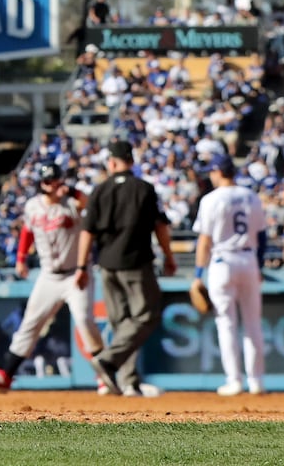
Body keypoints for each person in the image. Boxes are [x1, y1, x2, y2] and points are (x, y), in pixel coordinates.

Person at [0, 164, 105, 391]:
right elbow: (27, 230)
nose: (50, 184)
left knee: (84, 321)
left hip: (76, 273)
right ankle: (5, 375)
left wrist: (71, 192)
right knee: (30, 325)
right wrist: (21, 257)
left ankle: (105, 375)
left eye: (54, 180)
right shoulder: (33, 205)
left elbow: (92, 206)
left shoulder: (72, 203)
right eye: (47, 181)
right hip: (49, 276)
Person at [75, 138, 177, 398]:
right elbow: (160, 226)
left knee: (122, 323)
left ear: (111, 162)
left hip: (107, 264)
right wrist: (168, 256)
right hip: (136, 262)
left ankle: (128, 381)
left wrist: (81, 265)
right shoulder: (144, 188)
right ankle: (108, 362)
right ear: (130, 161)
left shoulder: (99, 190)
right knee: (145, 317)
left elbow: (87, 232)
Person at [194, 153, 267, 396]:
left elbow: (204, 241)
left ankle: (234, 381)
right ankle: (256, 382)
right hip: (248, 259)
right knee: (253, 323)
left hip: (222, 261)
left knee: (226, 323)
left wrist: (197, 274)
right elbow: (263, 235)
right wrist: (260, 266)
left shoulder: (211, 199)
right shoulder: (251, 196)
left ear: (218, 172)